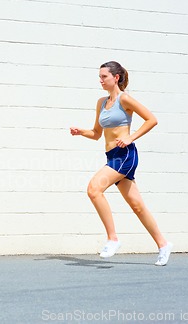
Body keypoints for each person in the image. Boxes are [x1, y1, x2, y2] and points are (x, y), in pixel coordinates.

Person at [70, 61, 173, 266]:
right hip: (112, 156)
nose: (100, 80)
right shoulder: (101, 103)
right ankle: (163, 244)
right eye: (99, 77)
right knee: (137, 206)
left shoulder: (125, 99)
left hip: (125, 155)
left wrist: (131, 137)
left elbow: (151, 119)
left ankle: (112, 238)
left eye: (104, 77)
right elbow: (97, 134)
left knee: (93, 189)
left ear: (116, 78)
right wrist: (81, 132)